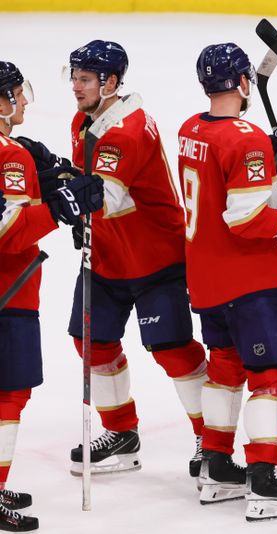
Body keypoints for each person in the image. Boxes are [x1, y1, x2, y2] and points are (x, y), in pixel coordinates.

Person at [177, 43, 277, 521]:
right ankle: (263, 478)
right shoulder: (246, 140)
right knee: (267, 375)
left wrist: (269, 157)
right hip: (247, 281)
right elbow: (244, 218)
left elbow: (229, 180)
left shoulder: (191, 128)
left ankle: (217, 465)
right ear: (243, 83)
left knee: (224, 366)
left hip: (205, 278)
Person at [65, 41, 208, 483]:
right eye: (73, 77)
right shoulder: (85, 120)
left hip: (153, 257)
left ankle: (213, 437)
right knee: (91, 342)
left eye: (84, 79)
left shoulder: (126, 131)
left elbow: (101, 197)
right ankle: (121, 432)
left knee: (171, 349)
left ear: (110, 83)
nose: (75, 86)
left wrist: (49, 193)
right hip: (106, 253)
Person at [0, 60, 103, 532]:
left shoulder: (15, 151)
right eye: (17, 93)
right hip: (8, 290)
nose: (23, 101)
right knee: (9, 392)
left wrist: (46, 181)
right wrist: (61, 208)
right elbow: (8, 231)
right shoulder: (9, 154)